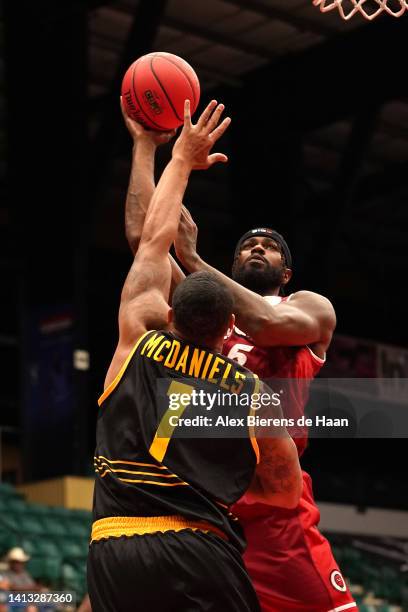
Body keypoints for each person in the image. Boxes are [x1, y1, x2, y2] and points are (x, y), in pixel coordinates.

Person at [125, 119, 356, 611]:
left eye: (269, 245)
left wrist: (192, 258)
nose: (257, 247)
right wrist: (146, 147)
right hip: (201, 499)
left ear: (286, 271)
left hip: (272, 499)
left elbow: (267, 326)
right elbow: (147, 245)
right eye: (248, 244)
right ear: (230, 268)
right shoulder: (203, 317)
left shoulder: (310, 307)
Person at [87, 99, 302, 612]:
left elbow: (150, 245)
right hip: (200, 546)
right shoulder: (251, 395)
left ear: (169, 312)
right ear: (230, 328)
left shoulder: (138, 338)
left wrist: (166, 153)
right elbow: (284, 493)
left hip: (113, 547)